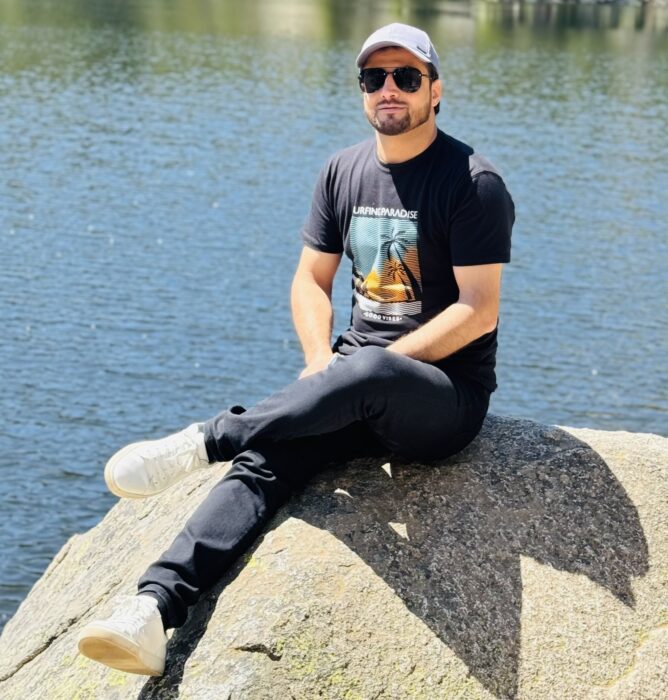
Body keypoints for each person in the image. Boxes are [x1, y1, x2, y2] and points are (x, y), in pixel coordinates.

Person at [77, 22, 514, 676]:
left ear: (435, 90)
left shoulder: (472, 182)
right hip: (352, 382)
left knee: (368, 370)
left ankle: (207, 440)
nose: (389, 89)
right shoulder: (343, 170)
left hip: (443, 399)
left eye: (406, 77)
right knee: (265, 462)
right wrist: (318, 368)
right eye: (374, 77)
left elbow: (479, 310)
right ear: (361, 89)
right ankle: (152, 610)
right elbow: (312, 280)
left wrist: (366, 374)